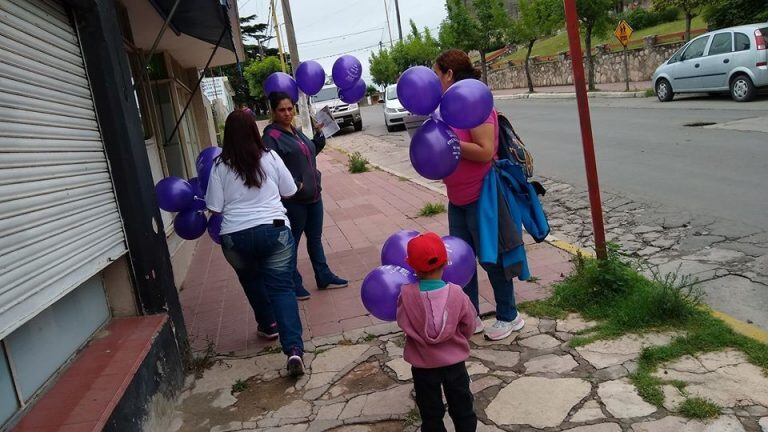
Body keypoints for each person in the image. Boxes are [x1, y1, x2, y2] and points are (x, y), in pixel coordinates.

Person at [433, 49, 525, 341]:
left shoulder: (475, 104)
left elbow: (485, 152)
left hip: (482, 195)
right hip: (456, 197)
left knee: (493, 257)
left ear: (449, 74)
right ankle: (470, 315)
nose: (434, 81)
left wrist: (449, 144)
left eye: (437, 74)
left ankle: (509, 315)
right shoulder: (445, 107)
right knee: (460, 261)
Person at [206, 110, 305, 376]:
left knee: (251, 280)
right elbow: (290, 191)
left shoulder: (219, 166)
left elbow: (214, 208)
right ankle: (294, 350)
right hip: (274, 231)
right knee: (282, 289)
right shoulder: (270, 157)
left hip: (235, 237)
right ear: (253, 130)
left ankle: (268, 324)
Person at [262, 92, 348, 300]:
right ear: (273, 112)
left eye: (290, 109)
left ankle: (324, 276)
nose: (287, 113)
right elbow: (270, 168)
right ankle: (293, 283)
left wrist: (319, 138)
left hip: (313, 196)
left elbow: (308, 153)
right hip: (294, 201)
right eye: (282, 110)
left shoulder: (294, 131)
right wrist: (296, 184)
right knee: (292, 243)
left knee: (315, 239)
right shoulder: (271, 136)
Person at [396, 232, 477, 432]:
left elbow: (403, 323)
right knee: (463, 407)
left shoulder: (406, 296)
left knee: (430, 413)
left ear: (412, 266)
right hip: (454, 363)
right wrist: (459, 338)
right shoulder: (457, 294)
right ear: (446, 262)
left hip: (423, 364)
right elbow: (469, 324)